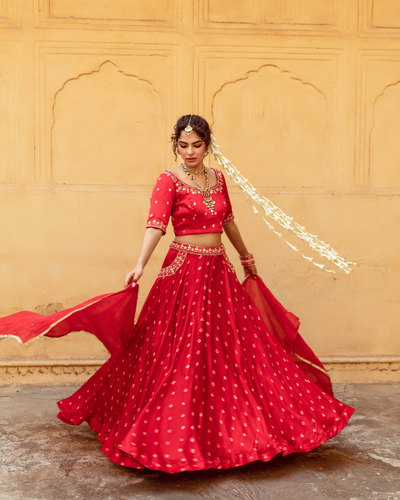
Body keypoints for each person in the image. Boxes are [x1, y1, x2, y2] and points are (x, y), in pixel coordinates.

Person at [2, 115, 354, 473]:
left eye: (197, 145)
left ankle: (231, 428)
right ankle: (169, 430)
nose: (189, 152)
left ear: (208, 145)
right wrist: (140, 264)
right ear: (176, 145)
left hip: (218, 272)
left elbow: (228, 220)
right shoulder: (168, 180)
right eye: (183, 145)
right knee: (178, 351)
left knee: (233, 349)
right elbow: (155, 224)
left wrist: (246, 256)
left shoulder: (218, 178)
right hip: (184, 272)